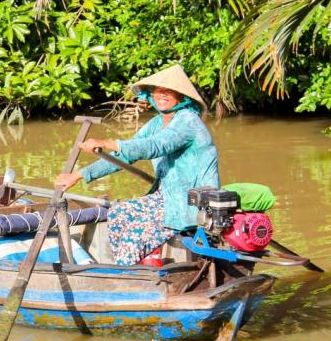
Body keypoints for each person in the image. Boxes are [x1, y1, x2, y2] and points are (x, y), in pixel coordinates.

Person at [55, 65, 219, 265]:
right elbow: (125, 156)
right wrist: (79, 175)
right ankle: (129, 265)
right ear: (151, 95)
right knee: (118, 212)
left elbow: (154, 146)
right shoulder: (157, 124)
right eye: (158, 90)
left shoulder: (188, 121)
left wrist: (107, 143)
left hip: (190, 203)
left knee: (137, 229)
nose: (162, 95)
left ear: (181, 97)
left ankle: (128, 270)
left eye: (168, 91)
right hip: (165, 197)